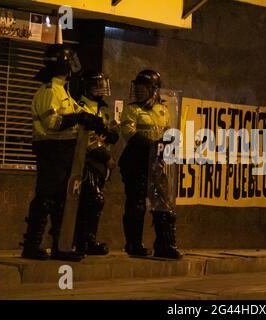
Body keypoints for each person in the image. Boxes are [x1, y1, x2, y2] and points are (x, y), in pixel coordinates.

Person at [21, 45, 104, 261]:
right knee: (46, 198)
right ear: (65, 65)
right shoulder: (50, 91)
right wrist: (79, 119)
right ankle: (32, 245)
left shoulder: (62, 89)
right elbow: (52, 123)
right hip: (52, 151)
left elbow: (75, 112)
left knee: (61, 200)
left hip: (65, 152)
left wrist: (93, 119)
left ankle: (61, 246)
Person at [119, 69, 182, 259]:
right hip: (136, 161)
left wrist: (169, 142)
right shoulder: (132, 109)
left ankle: (164, 244)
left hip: (156, 163)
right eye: (137, 87)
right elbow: (129, 133)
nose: (138, 91)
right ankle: (134, 244)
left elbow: (168, 132)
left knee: (162, 203)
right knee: (136, 205)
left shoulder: (162, 110)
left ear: (154, 90)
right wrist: (153, 146)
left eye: (143, 88)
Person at [73, 71, 119, 256]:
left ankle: (88, 239)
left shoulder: (104, 109)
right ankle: (83, 240)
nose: (101, 89)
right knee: (92, 200)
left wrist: (109, 134)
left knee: (94, 202)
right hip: (88, 161)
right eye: (97, 85)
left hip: (101, 165)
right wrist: (105, 156)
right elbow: (86, 140)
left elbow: (114, 131)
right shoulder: (82, 106)